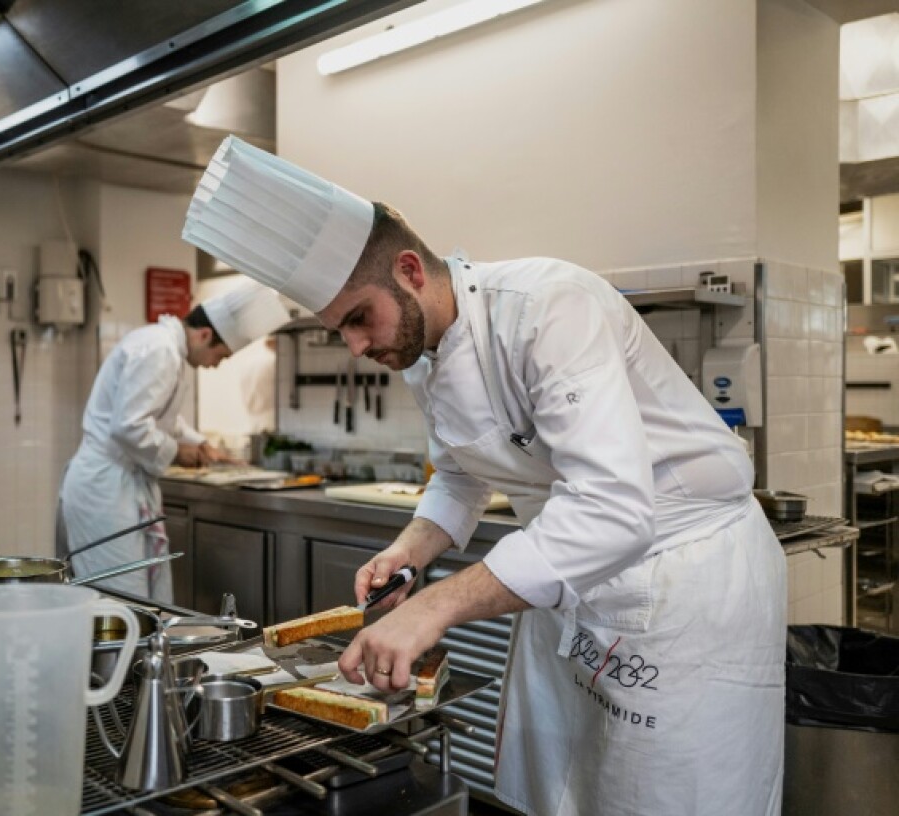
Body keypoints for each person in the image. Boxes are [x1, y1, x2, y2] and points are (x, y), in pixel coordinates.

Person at [182, 136, 786, 816]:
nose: (354, 346)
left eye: (357, 318)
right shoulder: (423, 357)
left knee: (664, 797)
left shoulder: (549, 307)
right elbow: (462, 475)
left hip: (681, 581)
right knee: (555, 791)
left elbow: (614, 507)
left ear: (410, 270)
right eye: (337, 330)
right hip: (572, 588)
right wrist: (410, 552)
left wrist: (432, 609)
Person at [59, 280, 290, 602]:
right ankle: (125, 655)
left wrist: (202, 444)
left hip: (121, 488)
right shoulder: (160, 349)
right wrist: (179, 452)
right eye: (219, 356)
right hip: (105, 490)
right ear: (204, 334)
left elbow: (162, 419)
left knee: (139, 602)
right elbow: (128, 426)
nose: (214, 365)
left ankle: (137, 654)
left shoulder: (165, 348)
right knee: (120, 603)